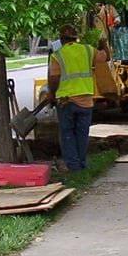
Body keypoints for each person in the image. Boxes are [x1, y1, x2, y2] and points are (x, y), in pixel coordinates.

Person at [45, 23, 106, 171]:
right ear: (76, 37)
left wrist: (51, 93)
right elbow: (105, 57)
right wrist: (103, 44)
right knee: (82, 134)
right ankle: (82, 164)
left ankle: (73, 167)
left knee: (67, 134)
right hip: (86, 101)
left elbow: (54, 78)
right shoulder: (88, 50)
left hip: (66, 101)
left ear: (61, 39)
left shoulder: (57, 55)